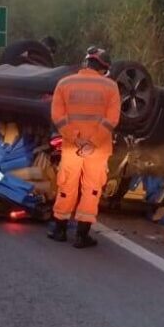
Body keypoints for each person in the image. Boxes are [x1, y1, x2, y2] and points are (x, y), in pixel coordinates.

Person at [48, 46, 120, 248]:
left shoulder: (65, 83)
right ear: (104, 67)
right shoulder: (111, 87)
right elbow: (111, 120)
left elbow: (58, 118)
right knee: (92, 190)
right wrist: (92, 142)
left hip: (72, 147)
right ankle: (82, 235)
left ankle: (60, 230)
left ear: (85, 62)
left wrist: (76, 139)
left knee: (66, 186)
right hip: (97, 149)